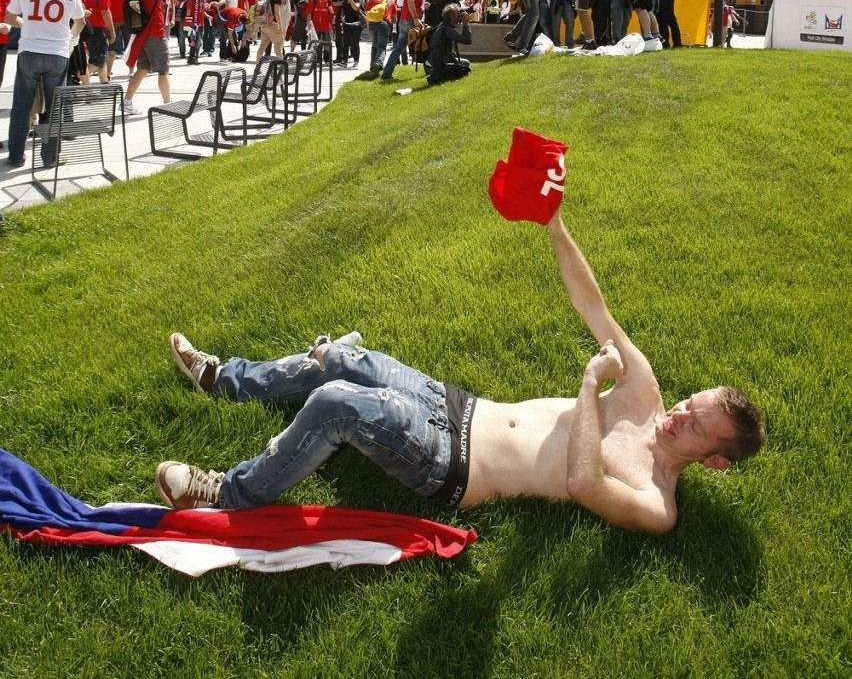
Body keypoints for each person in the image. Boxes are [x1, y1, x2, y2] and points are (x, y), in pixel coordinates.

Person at [156, 196, 765, 532]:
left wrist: (588, 386)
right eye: (691, 403)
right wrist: (553, 221)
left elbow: (584, 483)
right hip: (457, 405)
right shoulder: (646, 393)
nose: (678, 414)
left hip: (456, 466)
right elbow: (593, 304)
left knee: (337, 404)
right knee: (339, 358)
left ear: (714, 461)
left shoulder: (656, 504)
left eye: (695, 424)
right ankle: (226, 378)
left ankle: (231, 493)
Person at [3, 0, 86, 168]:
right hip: (57, 53)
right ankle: (49, 157)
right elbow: (81, 21)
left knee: (21, 105)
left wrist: (26, 24)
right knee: (53, 107)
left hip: (29, 51)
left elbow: (9, 16)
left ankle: (16, 156)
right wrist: (70, 38)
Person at [122, 0, 186, 115]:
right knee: (163, 70)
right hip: (155, 33)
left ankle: (127, 102)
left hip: (144, 33)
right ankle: (167, 104)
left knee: (143, 68)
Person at [381, 0, 432, 79]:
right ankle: (430, 70)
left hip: (404, 20)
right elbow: (410, 2)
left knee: (399, 48)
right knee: (424, 44)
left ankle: (386, 73)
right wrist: (415, 18)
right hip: (410, 21)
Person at [80, 0, 116, 83]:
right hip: (99, 29)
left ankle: (104, 83)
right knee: (98, 59)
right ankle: (79, 77)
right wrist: (112, 30)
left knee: (101, 57)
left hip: (88, 28)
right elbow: (105, 12)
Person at [425, 2, 472, 85]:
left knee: (465, 63)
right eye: (458, 14)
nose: (460, 16)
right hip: (436, 64)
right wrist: (465, 23)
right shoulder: (446, 29)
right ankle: (439, 75)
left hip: (434, 61)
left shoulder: (443, 26)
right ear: (451, 16)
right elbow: (467, 40)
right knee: (465, 65)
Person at [106, 0, 134, 78]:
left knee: (111, 46)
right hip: (128, 20)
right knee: (129, 45)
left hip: (113, 19)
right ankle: (131, 71)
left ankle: (108, 73)